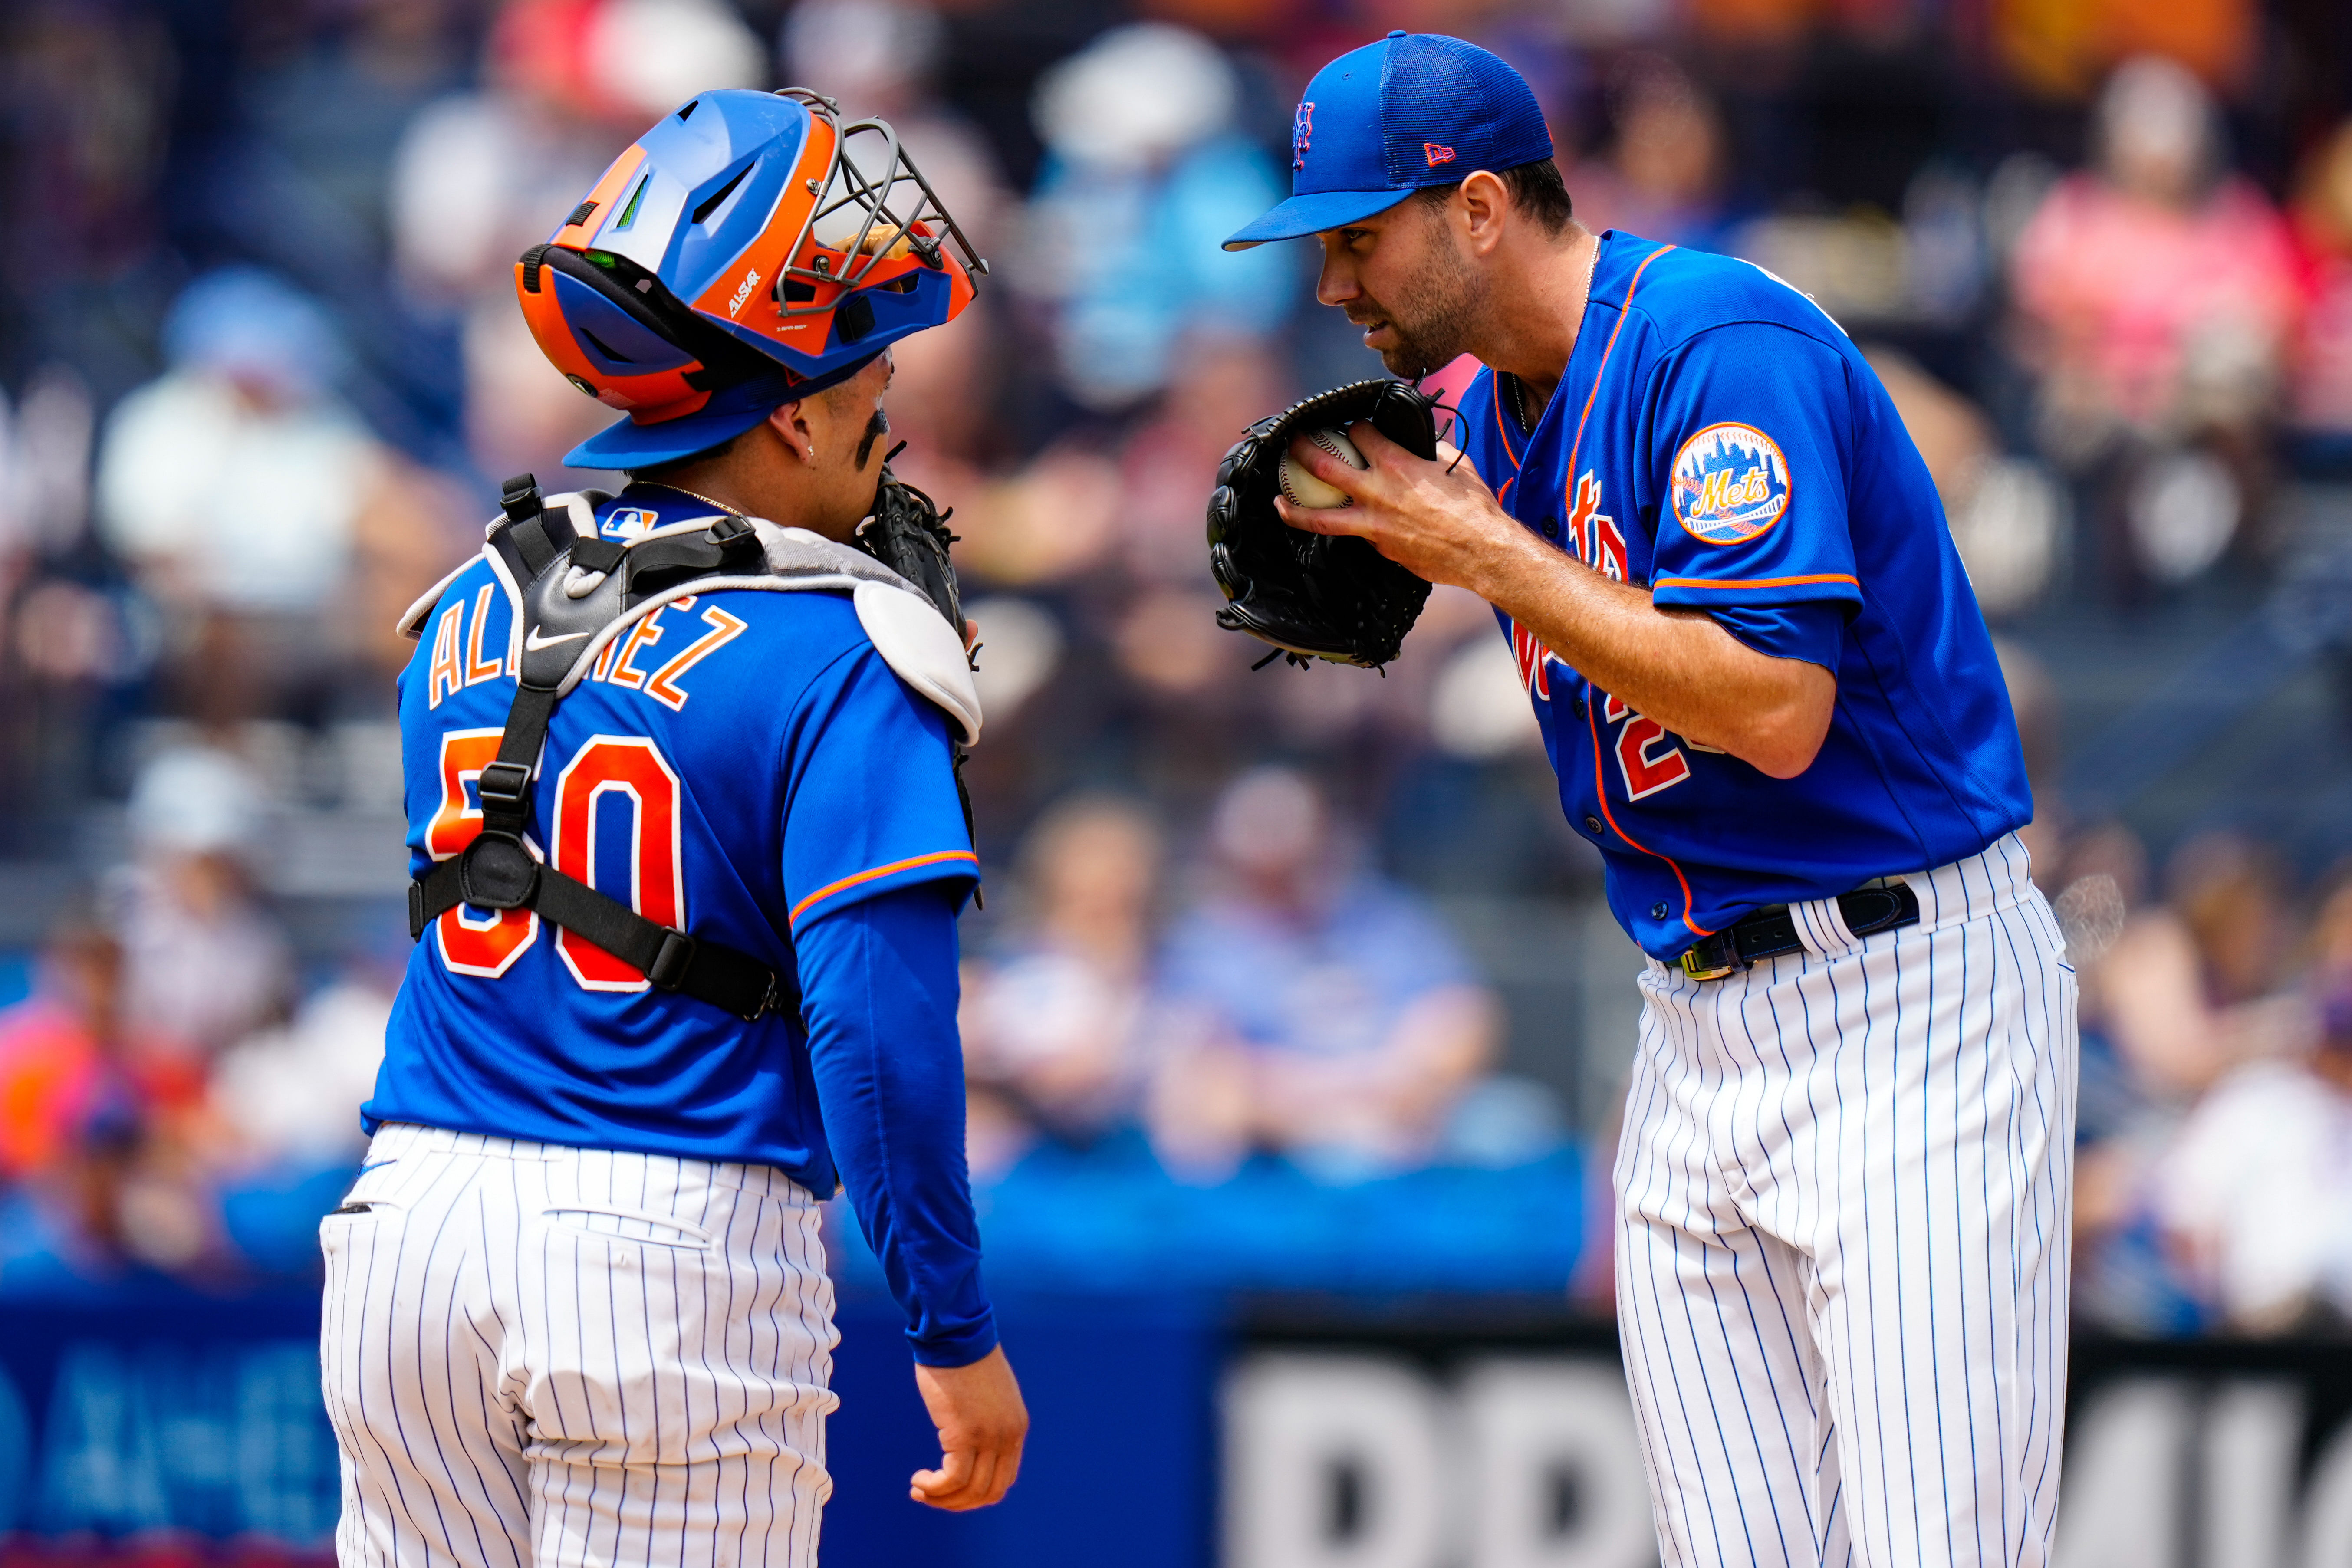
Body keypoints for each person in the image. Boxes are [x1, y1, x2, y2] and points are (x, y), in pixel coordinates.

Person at [1226, 32, 2074, 1568]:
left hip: (1904, 1002)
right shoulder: (1486, 422)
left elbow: (1769, 707)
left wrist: (1484, 556)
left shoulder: (1711, 340)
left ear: (1478, 209)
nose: (1333, 285)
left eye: (1357, 238)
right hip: (1692, 1019)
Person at [321, 88, 1024, 1568]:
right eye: (868, 386)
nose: (884, 423)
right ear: (789, 409)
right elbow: (878, 1037)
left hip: (403, 1235)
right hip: (665, 1248)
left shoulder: (465, 600)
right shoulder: (843, 646)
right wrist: (952, 1329)